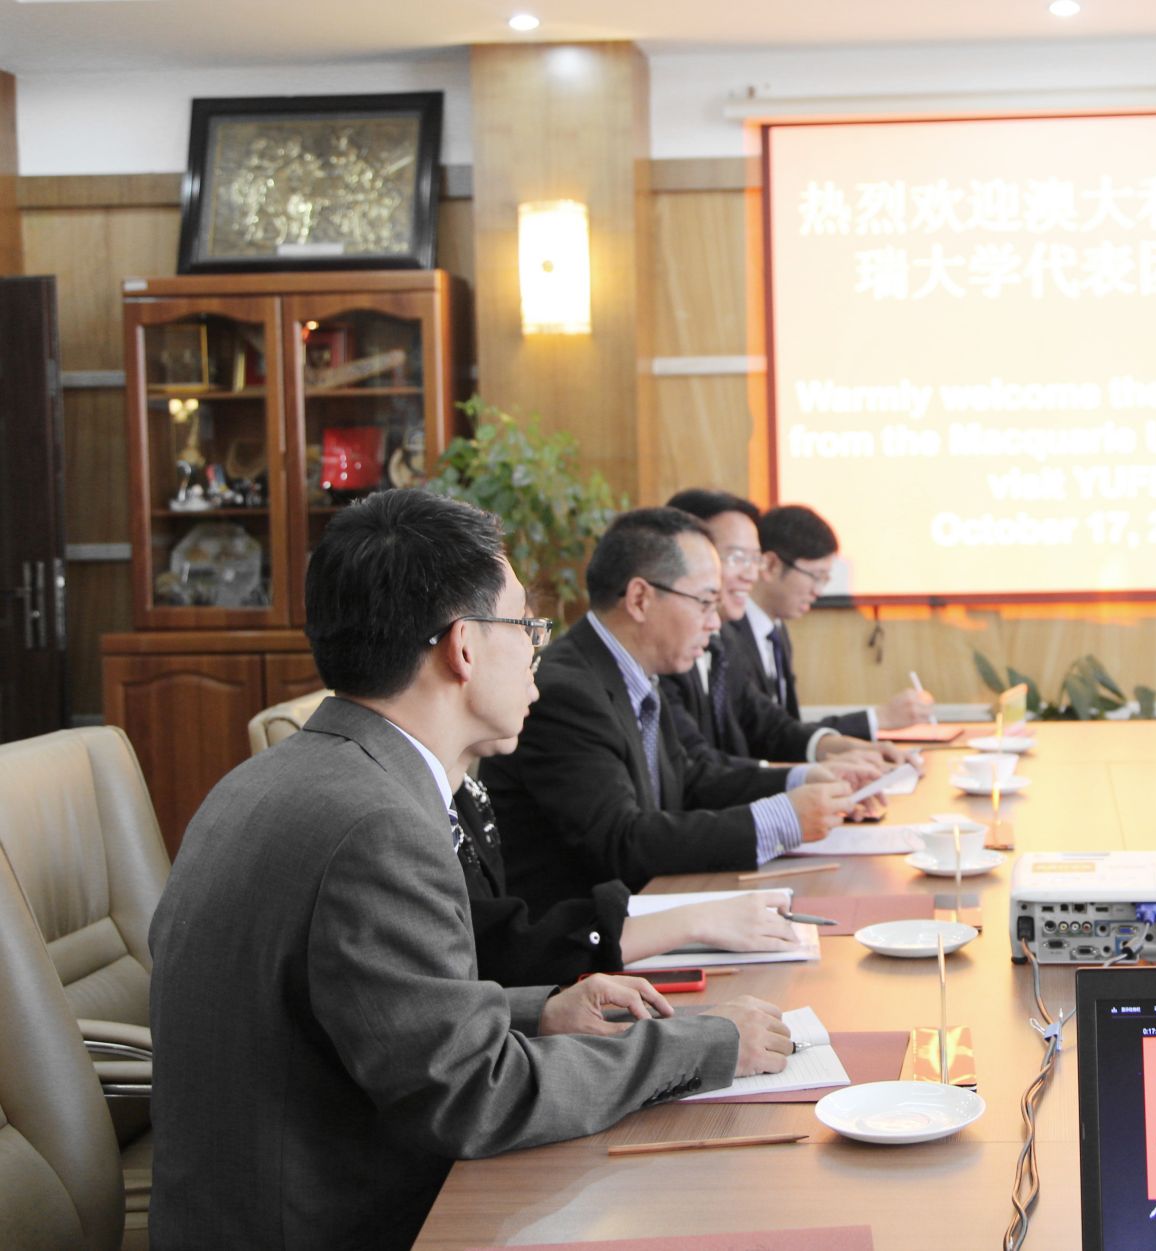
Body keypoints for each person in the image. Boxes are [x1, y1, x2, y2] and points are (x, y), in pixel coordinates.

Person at [148, 490, 792, 1251]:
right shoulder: (378, 826)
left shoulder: (285, 777)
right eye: (526, 627)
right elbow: (475, 1098)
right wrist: (705, 1043)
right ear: (462, 648)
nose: (538, 652)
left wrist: (540, 1011)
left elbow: (381, 1017)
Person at [483, 507, 858, 913]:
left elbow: (689, 780)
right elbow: (621, 841)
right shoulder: (567, 692)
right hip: (585, 938)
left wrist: (801, 780)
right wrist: (780, 819)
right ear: (640, 599)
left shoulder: (634, 672)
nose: (715, 624)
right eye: (705, 602)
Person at [455, 737, 800, 987]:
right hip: (556, 962)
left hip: (549, 979)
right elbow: (493, 950)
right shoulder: (566, 689)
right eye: (528, 662)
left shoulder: (460, 788)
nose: (534, 684)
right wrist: (696, 920)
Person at [663, 488, 913, 771]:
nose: (751, 574)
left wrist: (857, 750)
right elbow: (698, 769)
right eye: (736, 558)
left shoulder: (724, 642)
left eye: (754, 559)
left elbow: (771, 727)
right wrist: (809, 776)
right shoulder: (666, 653)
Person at [729, 502, 934, 737]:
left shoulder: (776, 632)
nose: (818, 591)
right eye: (815, 576)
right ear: (771, 566)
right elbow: (766, 737)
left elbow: (788, 731)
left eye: (825, 580)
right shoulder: (728, 636)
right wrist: (879, 718)